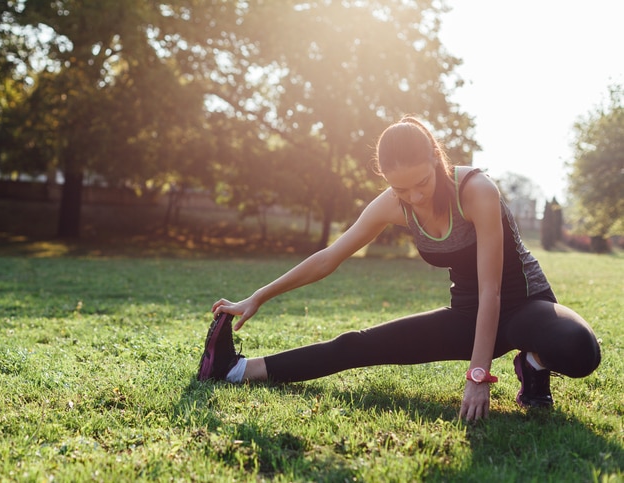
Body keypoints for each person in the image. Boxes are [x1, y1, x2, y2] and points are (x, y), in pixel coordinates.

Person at [196, 116, 601, 421]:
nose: (414, 196)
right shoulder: (394, 203)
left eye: (421, 183)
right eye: (400, 189)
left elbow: (492, 291)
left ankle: (533, 365)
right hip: (467, 314)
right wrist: (258, 296)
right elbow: (330, 257)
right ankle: (237, 370)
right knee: (357, 345)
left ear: (436, 159)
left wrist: (478, 376)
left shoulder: (477, 191)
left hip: (526, 305)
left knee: (580, 350)